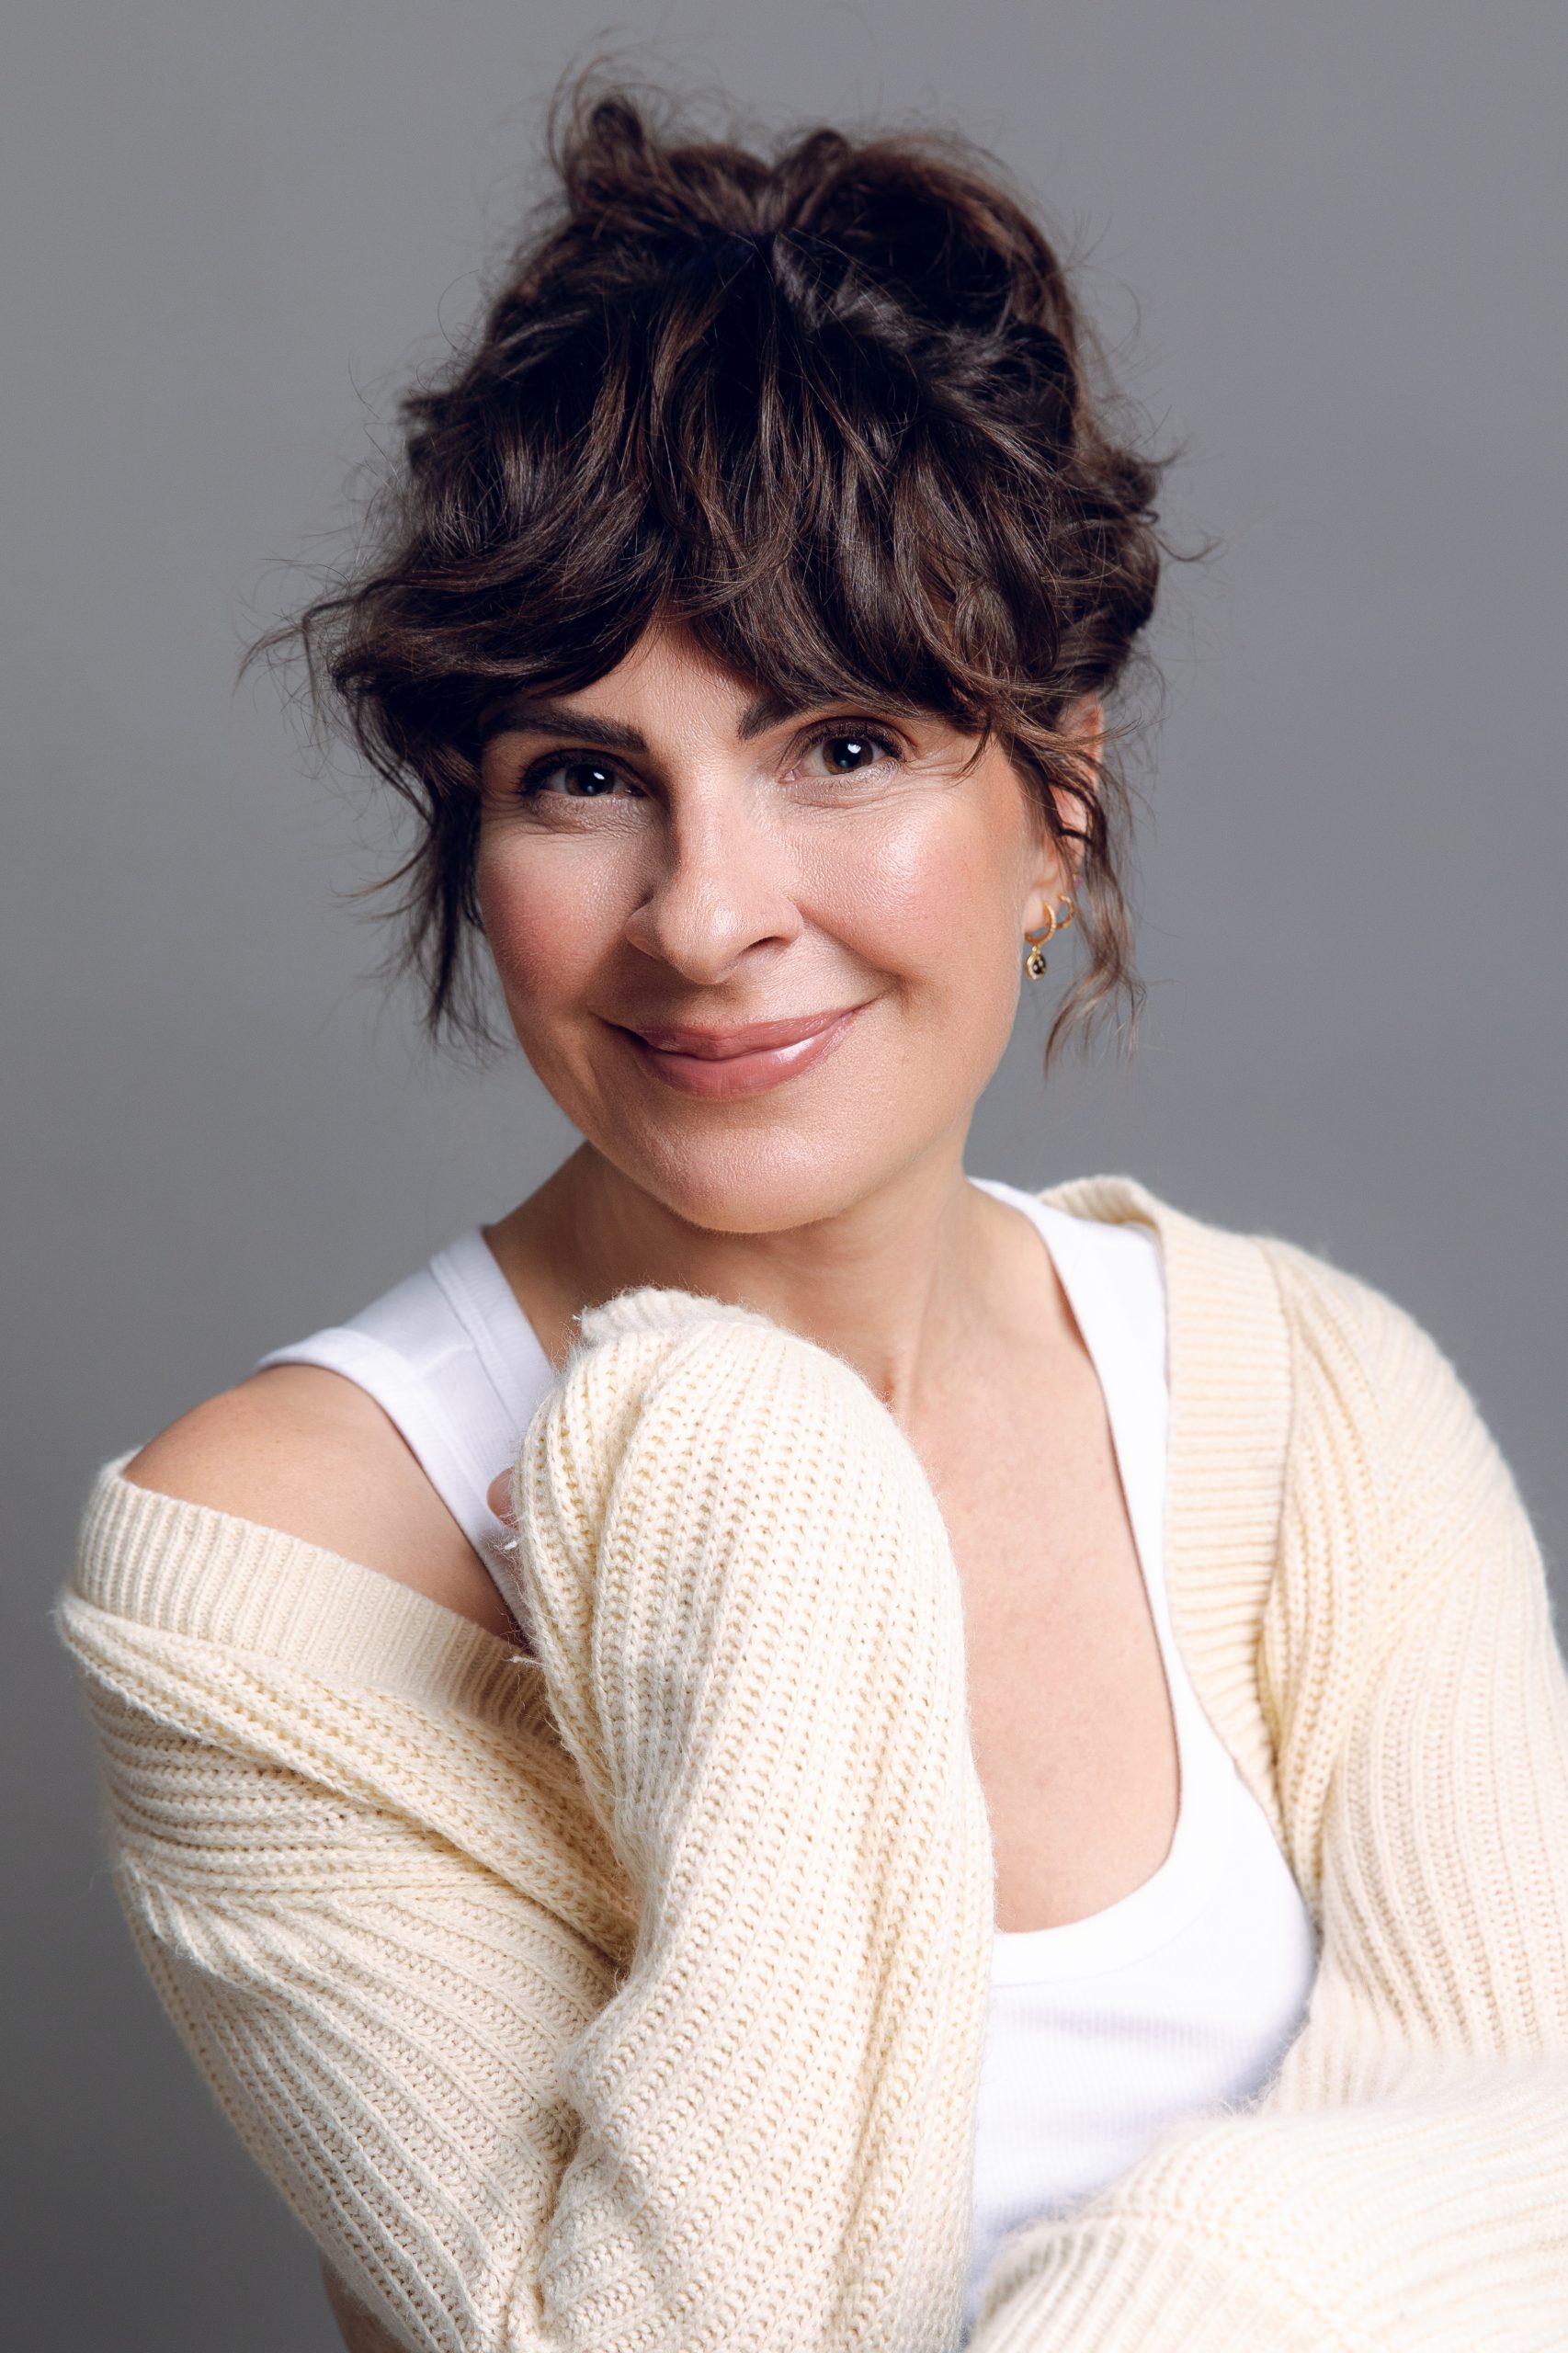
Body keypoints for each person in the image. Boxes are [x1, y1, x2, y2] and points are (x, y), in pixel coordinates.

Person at [58, 84, 1568, 2353]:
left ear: (1056, 801)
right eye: (585, 775)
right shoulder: (267, 1564)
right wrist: (742, 1503)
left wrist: (1162, 2294)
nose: (705, 915)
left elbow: (1528, 2150)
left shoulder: (1312, 1411)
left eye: (839, 744)